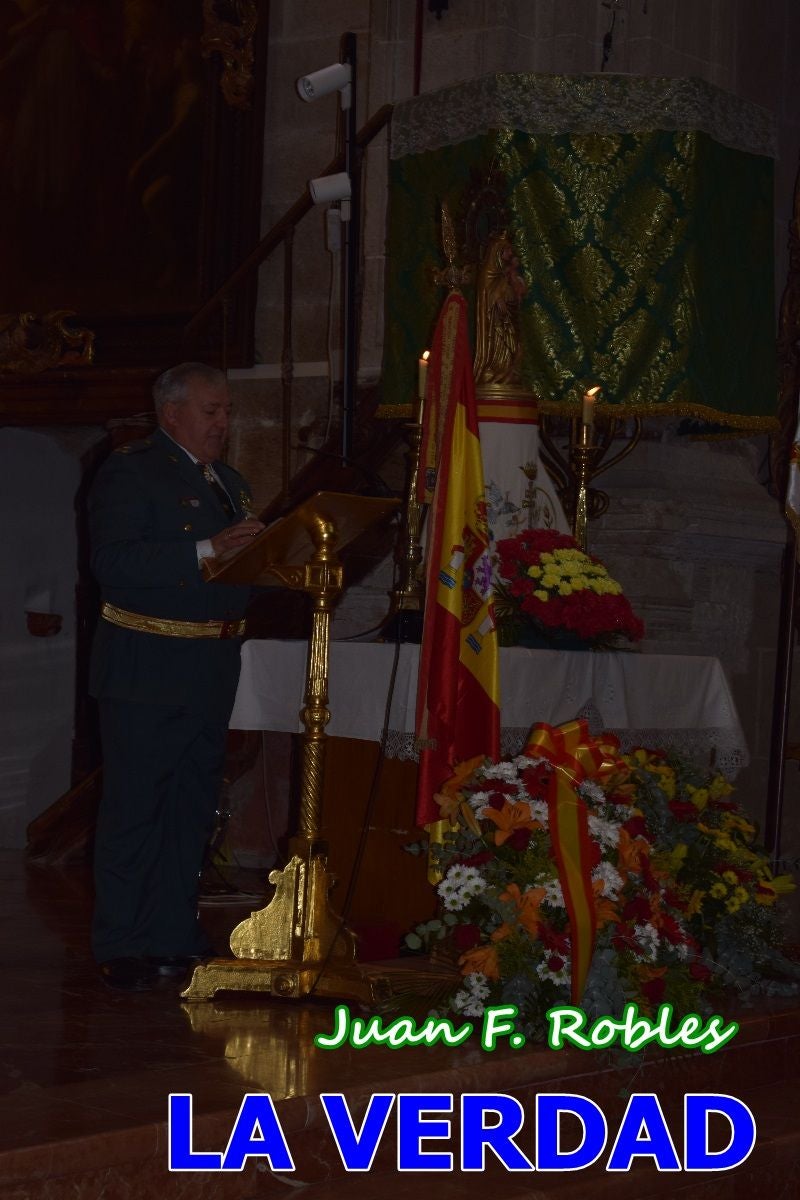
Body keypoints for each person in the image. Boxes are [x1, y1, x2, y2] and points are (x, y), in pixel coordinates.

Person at [88, 361, 265, 990]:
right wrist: (210, 549)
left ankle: (171, 933)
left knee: (191, 808)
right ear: (172, 413)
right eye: (211, 411)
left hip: (209, 666)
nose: (223, 422)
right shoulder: (132, 471)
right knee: (137, 807)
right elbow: (114, 563)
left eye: (227, 411)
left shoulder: (230, 483)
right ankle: (122, 941)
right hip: (147, 665)